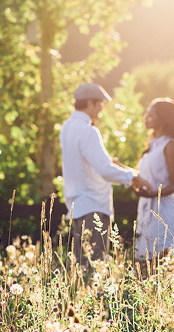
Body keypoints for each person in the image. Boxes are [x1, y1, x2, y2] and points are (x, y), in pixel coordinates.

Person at [60, 82, 151, 267]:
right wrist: (132, 177)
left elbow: (92, 164)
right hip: (93, 205)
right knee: (95, 268)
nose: (101, 109)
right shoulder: (88, 131)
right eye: (99, 104)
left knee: (81, 267)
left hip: (77, 207)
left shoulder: (66, 128)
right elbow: (104, 170)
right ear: (90, 103)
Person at [133, 98, 174, 265]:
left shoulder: (170, 145)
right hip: (146, 206)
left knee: (159, 258)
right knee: (141, 258)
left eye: (151, 115)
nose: (146, 117)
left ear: (163, 119)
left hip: (162, 208)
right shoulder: (152, 144)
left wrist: (152, 193)